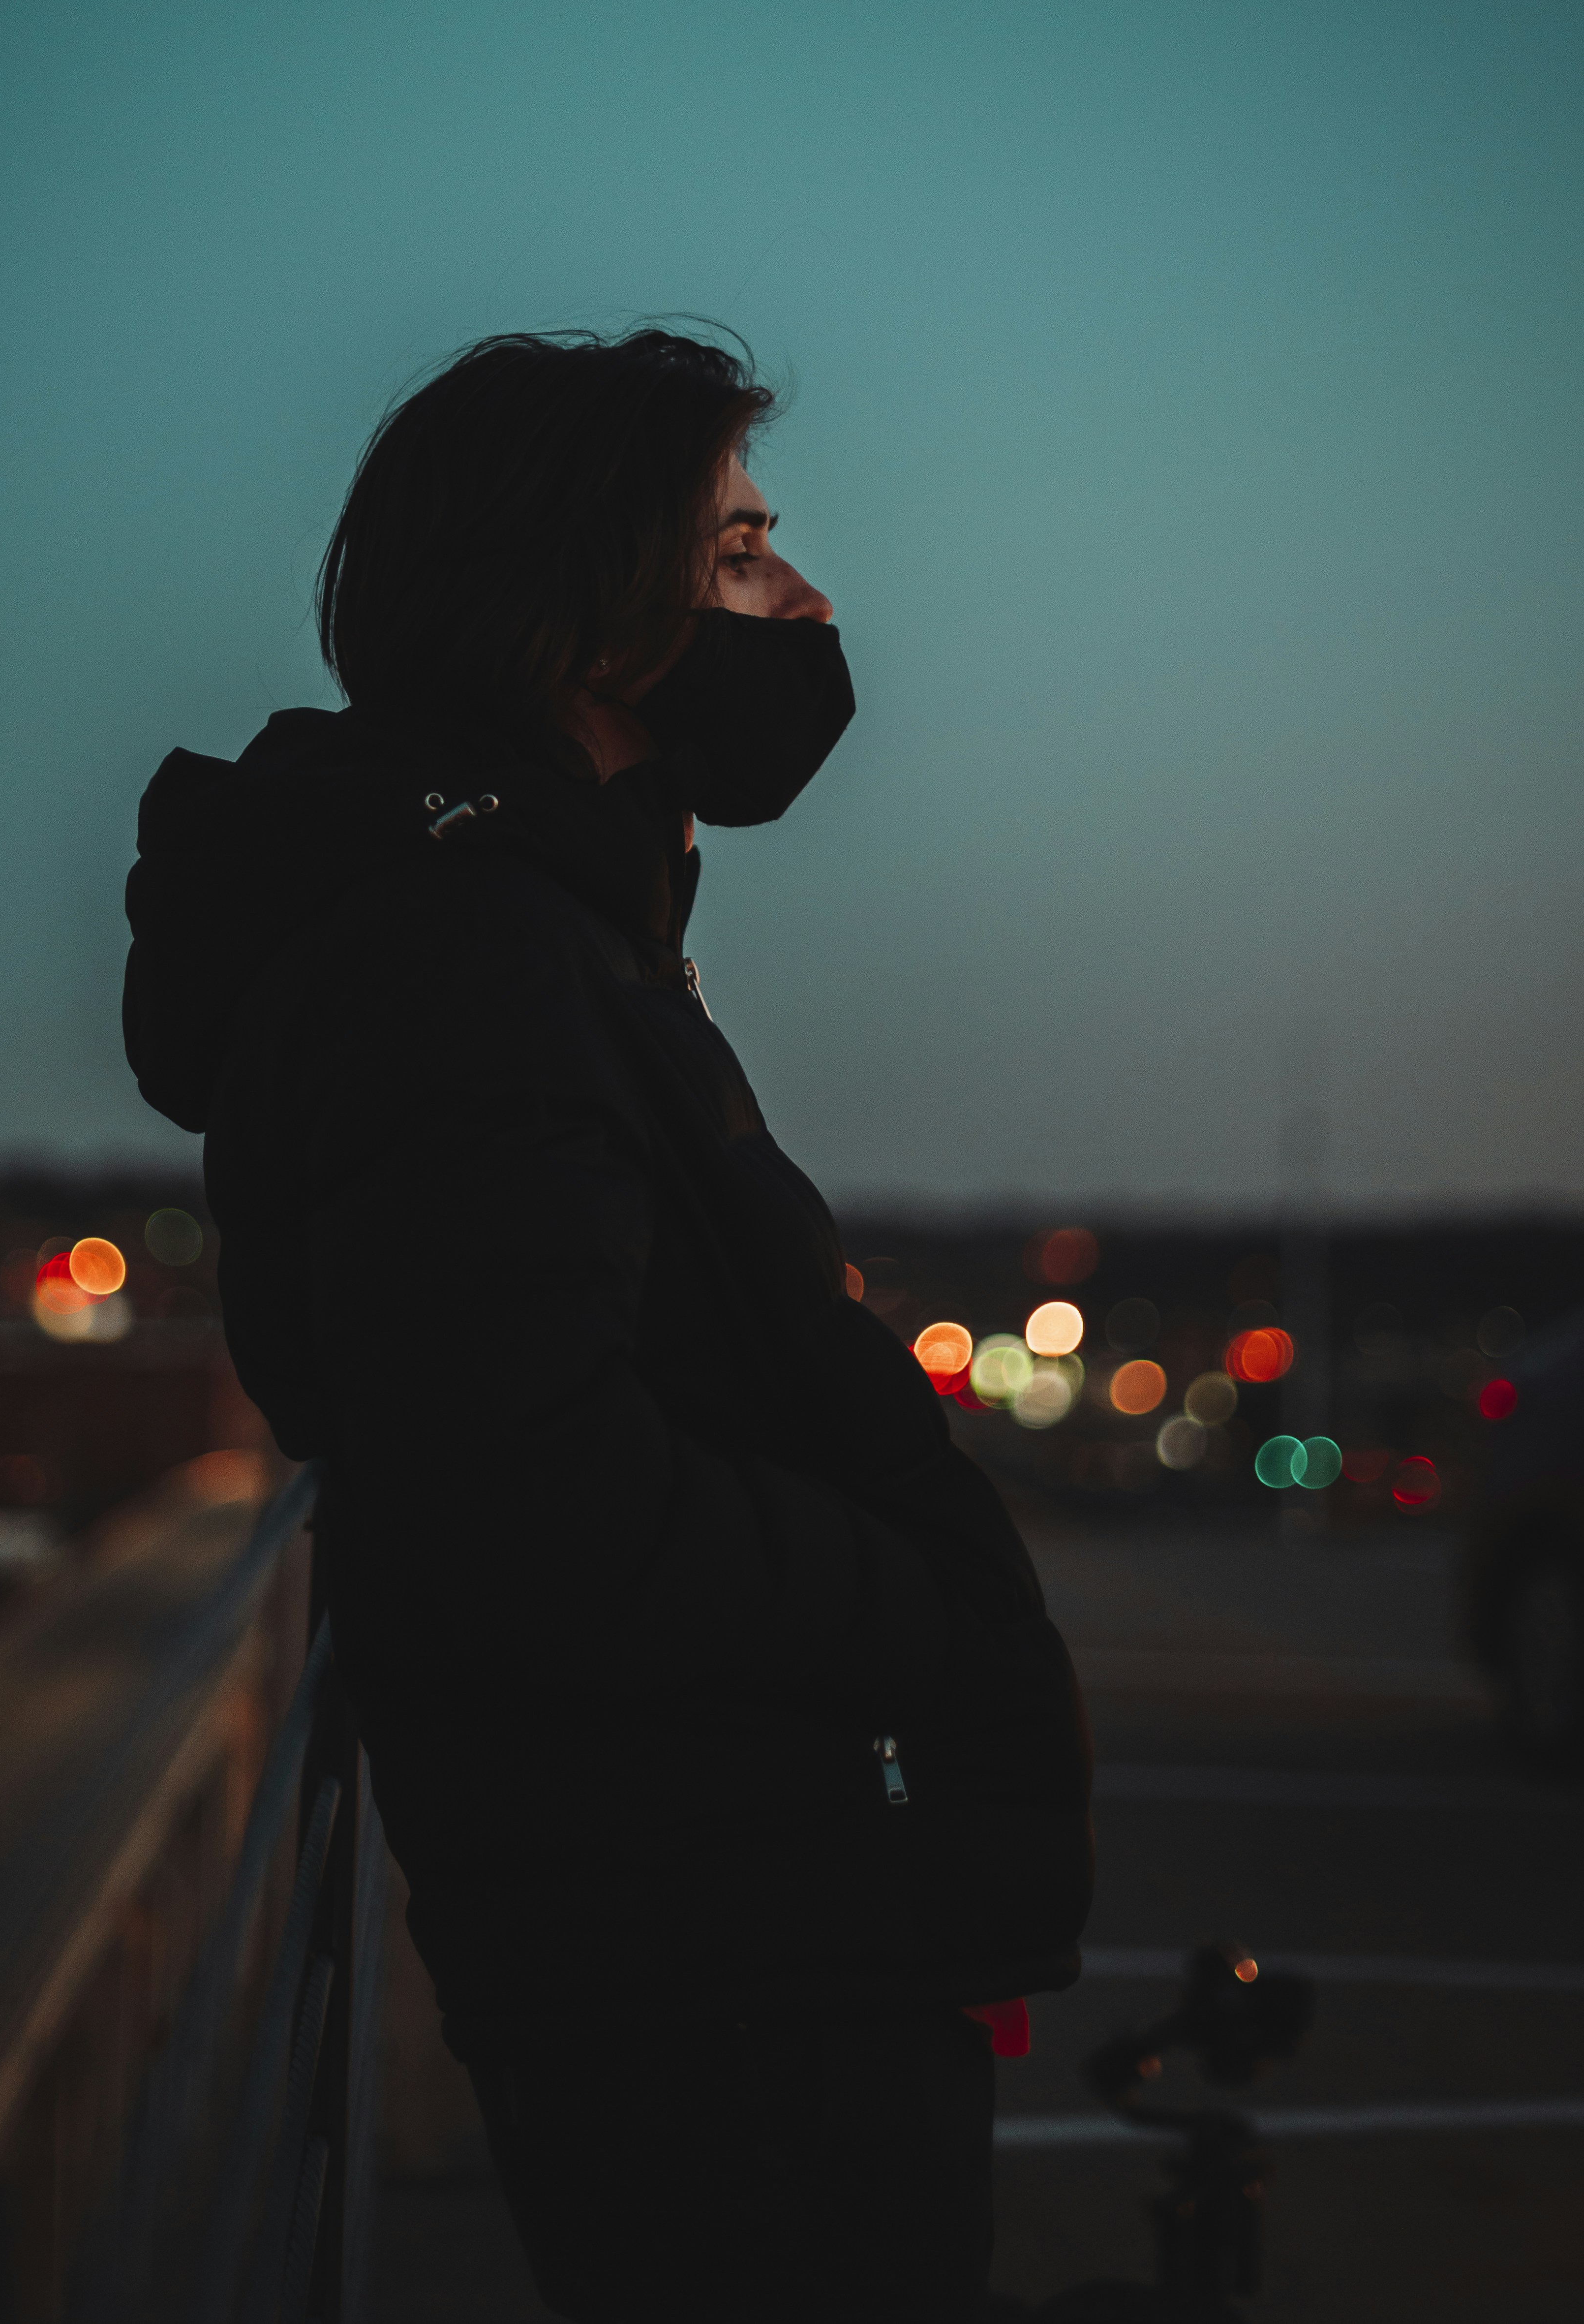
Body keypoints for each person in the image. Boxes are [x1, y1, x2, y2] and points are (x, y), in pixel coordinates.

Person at [122, 327, 1093, 2322]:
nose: (807, 602)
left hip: (722, 1927)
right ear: (580, 604)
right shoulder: (465, 963)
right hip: (719, 1976)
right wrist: (911, 1602)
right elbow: (524, 1494)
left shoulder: (536, 931)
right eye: (740, 552)